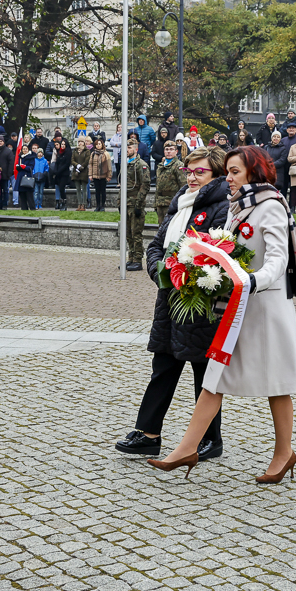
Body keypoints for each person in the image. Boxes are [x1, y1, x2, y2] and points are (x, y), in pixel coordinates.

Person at [148, 145, 296, 483]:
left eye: (235, 172)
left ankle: (283, 454)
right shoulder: (238, 207)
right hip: (236, 306)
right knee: (214, 376)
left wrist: (252, 281)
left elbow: (278, 260)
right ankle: (186, 449)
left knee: (276, 384)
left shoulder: (271, 207)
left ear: (254, 171)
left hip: (266, 308)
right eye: (228, 171)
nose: (229, 178)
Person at [116, 146, 230, 461]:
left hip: (200, 298)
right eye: (189, 171)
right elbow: (156, 244)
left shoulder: (222, 206)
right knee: (163, 363)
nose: (191, 177)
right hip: (169, 295)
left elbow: (220, 253)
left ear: (215, 174)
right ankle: (148, 433)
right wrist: (159, 270)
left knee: (202, 369)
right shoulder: (180, 201)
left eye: (199, 172)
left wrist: (190, 275)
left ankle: (210, 438)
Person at [123, 138, 149, 271]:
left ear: (135, 149)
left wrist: (139, 205)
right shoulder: (126, 164)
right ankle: (131, 258)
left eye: (130, 148)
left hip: (135, 204)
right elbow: (122, 186)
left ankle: (138, 260)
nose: (127, 150)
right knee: (128, 233)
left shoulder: (141, 165)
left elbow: (145, 186)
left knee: (136, 233)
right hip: (126, 204)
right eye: (126, 148)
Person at [155, 140, 187, 225]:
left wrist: (178, 203)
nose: (169, 151)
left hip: (171, 202)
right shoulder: (161, 166)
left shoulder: (179, 165)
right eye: (167, 149)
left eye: (171, 149)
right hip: (160, 203)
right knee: (161, 229)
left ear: (176, 151)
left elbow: (183, 185)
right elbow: (158, 185)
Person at [89, 137, 112, 211]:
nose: (98, 145)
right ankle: (98, 206)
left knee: (103, 191)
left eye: (99, 144)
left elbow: (109, 165)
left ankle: (102, 206)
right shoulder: (93, 154)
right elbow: (90, 165)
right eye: (97, 144)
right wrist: (90, 175)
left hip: (103, 175)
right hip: (95, 175)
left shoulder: (106, 154)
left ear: (102, 145)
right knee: (97, 192)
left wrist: (109, 175)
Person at [71, 137, 91, 211]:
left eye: (81, 141)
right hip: (76, 171)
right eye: (79, 141)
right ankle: (79, 204)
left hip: (84, 171)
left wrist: (81, 167)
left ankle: (84, 204)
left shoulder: (87, 151)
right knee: (78, 189)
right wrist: (77, 165)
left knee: (84, 189)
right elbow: (72, 160)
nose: (80, 143)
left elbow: (87, 161)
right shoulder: (75, 151)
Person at [16, 145, 35, 210]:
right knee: (22, 196)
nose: (24, 150)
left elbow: (31, 167)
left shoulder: (31, 157)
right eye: (23, 149)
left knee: (29, 196)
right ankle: (24, 209)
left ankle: (32, 208)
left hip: (27, 177)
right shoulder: (20, 157)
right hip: (20, 177)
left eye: (26, 149)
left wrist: (25, 167)